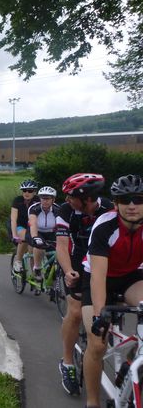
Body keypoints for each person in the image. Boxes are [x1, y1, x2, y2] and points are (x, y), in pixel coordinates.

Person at [82, 174, 143, 408]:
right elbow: (98, 276)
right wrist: (99, 316)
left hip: (130, 276)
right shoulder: (105, 226)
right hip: (99, 278)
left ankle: (131, 366)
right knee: (97, 342)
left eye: (138, 200)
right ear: (116, 204)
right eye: (124, 200)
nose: (131, 206)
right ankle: (93, 401)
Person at [55, 173, 112, 396]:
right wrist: (68, 270)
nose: (67, 200)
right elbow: (61, 245)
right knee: (76, 311)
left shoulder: (108, 208)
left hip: (103, 262)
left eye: (71, 196)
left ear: (86, 197)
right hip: (76, 261)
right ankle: (67, 362)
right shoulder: (66, 211)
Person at [26, 186, 60, 285]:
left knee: (58, 251)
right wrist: (35, 237)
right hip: (36, 231)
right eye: (42, 198)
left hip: (51, 233)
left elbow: (61, 225)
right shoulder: (34, 208)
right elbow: (33, 223)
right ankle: (37, 268)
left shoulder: (58, 209)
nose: (44, 201)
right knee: (39, 244)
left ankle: (52, 280)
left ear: (53, 199)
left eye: (47, 198)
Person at [11, 180, 40, 273]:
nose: (26, 193)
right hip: (20, 226)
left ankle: (35, 276)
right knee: (24, 237)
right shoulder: (17, 200)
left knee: (33, 251)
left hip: (32, 227)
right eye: (24, 190)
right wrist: (15, 235)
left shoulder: (38, 201)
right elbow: (13, 219)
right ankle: (18, 261)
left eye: (30, 191)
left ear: (35, 192)